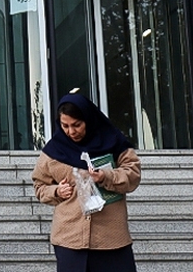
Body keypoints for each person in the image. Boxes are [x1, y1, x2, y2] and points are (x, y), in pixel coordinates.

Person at [32, 93, 142, 272]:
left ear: (89, 120)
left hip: (111, 239)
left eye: (77, 125)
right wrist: (56, 191)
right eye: (65, 126)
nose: (71, 131)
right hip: (70, 239)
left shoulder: (113, 142)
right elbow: (39, 186)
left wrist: (106, 176)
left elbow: (133, 174)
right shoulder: (54, 150)